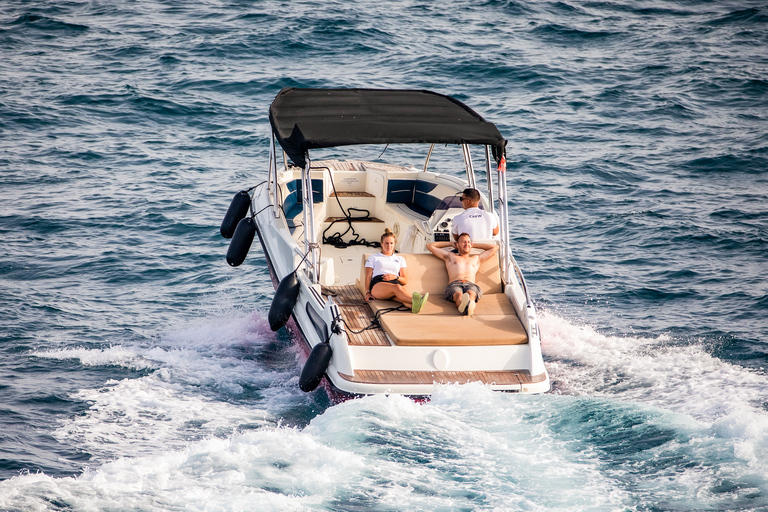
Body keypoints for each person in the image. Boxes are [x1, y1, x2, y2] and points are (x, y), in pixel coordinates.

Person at [426, 234, 498, 317]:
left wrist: (473, 244)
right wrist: (450, 243)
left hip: (470, 284)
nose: (466, 244)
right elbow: (430, 246)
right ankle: (467, 308)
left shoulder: (476, 259)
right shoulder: (450, 257)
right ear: (457, 245)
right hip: (454, 284)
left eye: (468, 242)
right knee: (458, 294)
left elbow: (495, 247)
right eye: (463, 242)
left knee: (471, 293)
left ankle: (467, 306)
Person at [364, 228, 428, 314]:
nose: (389, 246)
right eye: (386, 243)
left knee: (400, 297)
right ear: (381, 244)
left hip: (395, 282)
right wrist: (367, 293)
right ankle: (418, 300)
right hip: (378, 284)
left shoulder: (400, 259)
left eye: (391, 243)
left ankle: (415, 306)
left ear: (394, 244)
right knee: (397, 288)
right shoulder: (373, 257)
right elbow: (368, 277)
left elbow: (405, 280)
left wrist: (395, 277)